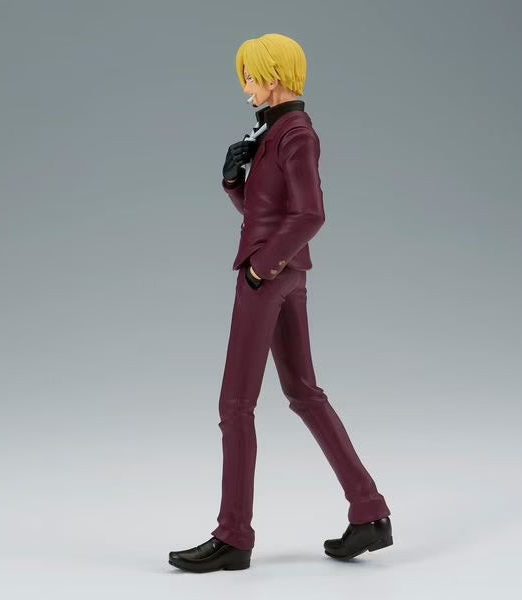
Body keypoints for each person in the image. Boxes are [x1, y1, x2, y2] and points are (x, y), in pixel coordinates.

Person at [168, 33, 393, 573]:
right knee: (304, 392)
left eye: (250, 75)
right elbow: (266, 213)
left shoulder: (296, 134)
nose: (245, 85)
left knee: (235, 405)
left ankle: (233, 536)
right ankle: (370, 512)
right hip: (284, 271)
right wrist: (233, 182)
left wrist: (260, 268)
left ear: (274, 75)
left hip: (269, 276)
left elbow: (311, 214)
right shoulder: (276, 132)